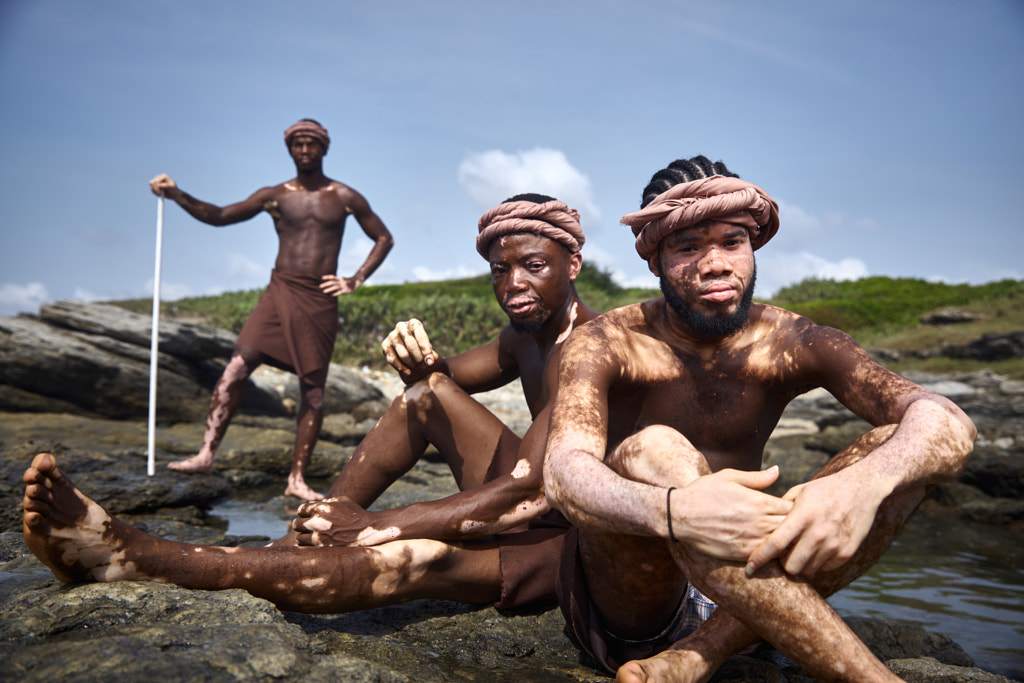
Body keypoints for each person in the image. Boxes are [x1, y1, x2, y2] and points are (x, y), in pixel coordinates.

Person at [23, 195, 600, 615]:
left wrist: (378, 525)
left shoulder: (591, 350)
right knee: (425, 396)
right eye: (501, 270)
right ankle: (297, 542)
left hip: (585, 536)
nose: (514, 283)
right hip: (535, 490)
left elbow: (532, 492)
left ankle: (147, 559)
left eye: (534, 265)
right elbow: (437, 381)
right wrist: (416, 360)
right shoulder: (521, 338)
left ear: (572, 266)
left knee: (418, 557)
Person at [542, 156, 976, 682]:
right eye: (687, 247)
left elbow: (947, 422)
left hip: (749, 591)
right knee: (655, 447)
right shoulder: (607, 341)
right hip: (638, 597)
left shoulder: (791, 342)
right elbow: (565, 472)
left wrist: (862, 485)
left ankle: (701, 653)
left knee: (897, 445)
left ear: (754, 247)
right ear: (654, 260)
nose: (716, 263)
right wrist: (676, 511)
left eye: (731, 242)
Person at [148, 119, 394, 500]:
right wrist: (177, 194)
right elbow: (219, 216)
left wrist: (355, 279)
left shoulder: (345, 196)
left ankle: (296, 480)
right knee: (236, 368)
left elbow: (383, 237)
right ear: (290, 149)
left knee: (312, 392)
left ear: (324, 149)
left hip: (318, 299)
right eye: (298, 144)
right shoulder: (274, 195)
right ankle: (205, 455)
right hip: (280, 291)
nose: (305, 150)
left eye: (312, 144)